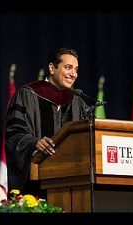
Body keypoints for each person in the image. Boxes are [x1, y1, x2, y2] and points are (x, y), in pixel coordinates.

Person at [5, 47, 89, 199]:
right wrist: (33, 143)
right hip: (36, 185)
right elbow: (14, 132)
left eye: (76, 69)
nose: (73, 74)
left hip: (70, 184)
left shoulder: (77, 101)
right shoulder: (27, 94)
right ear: (52, 68)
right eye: (68, 67)